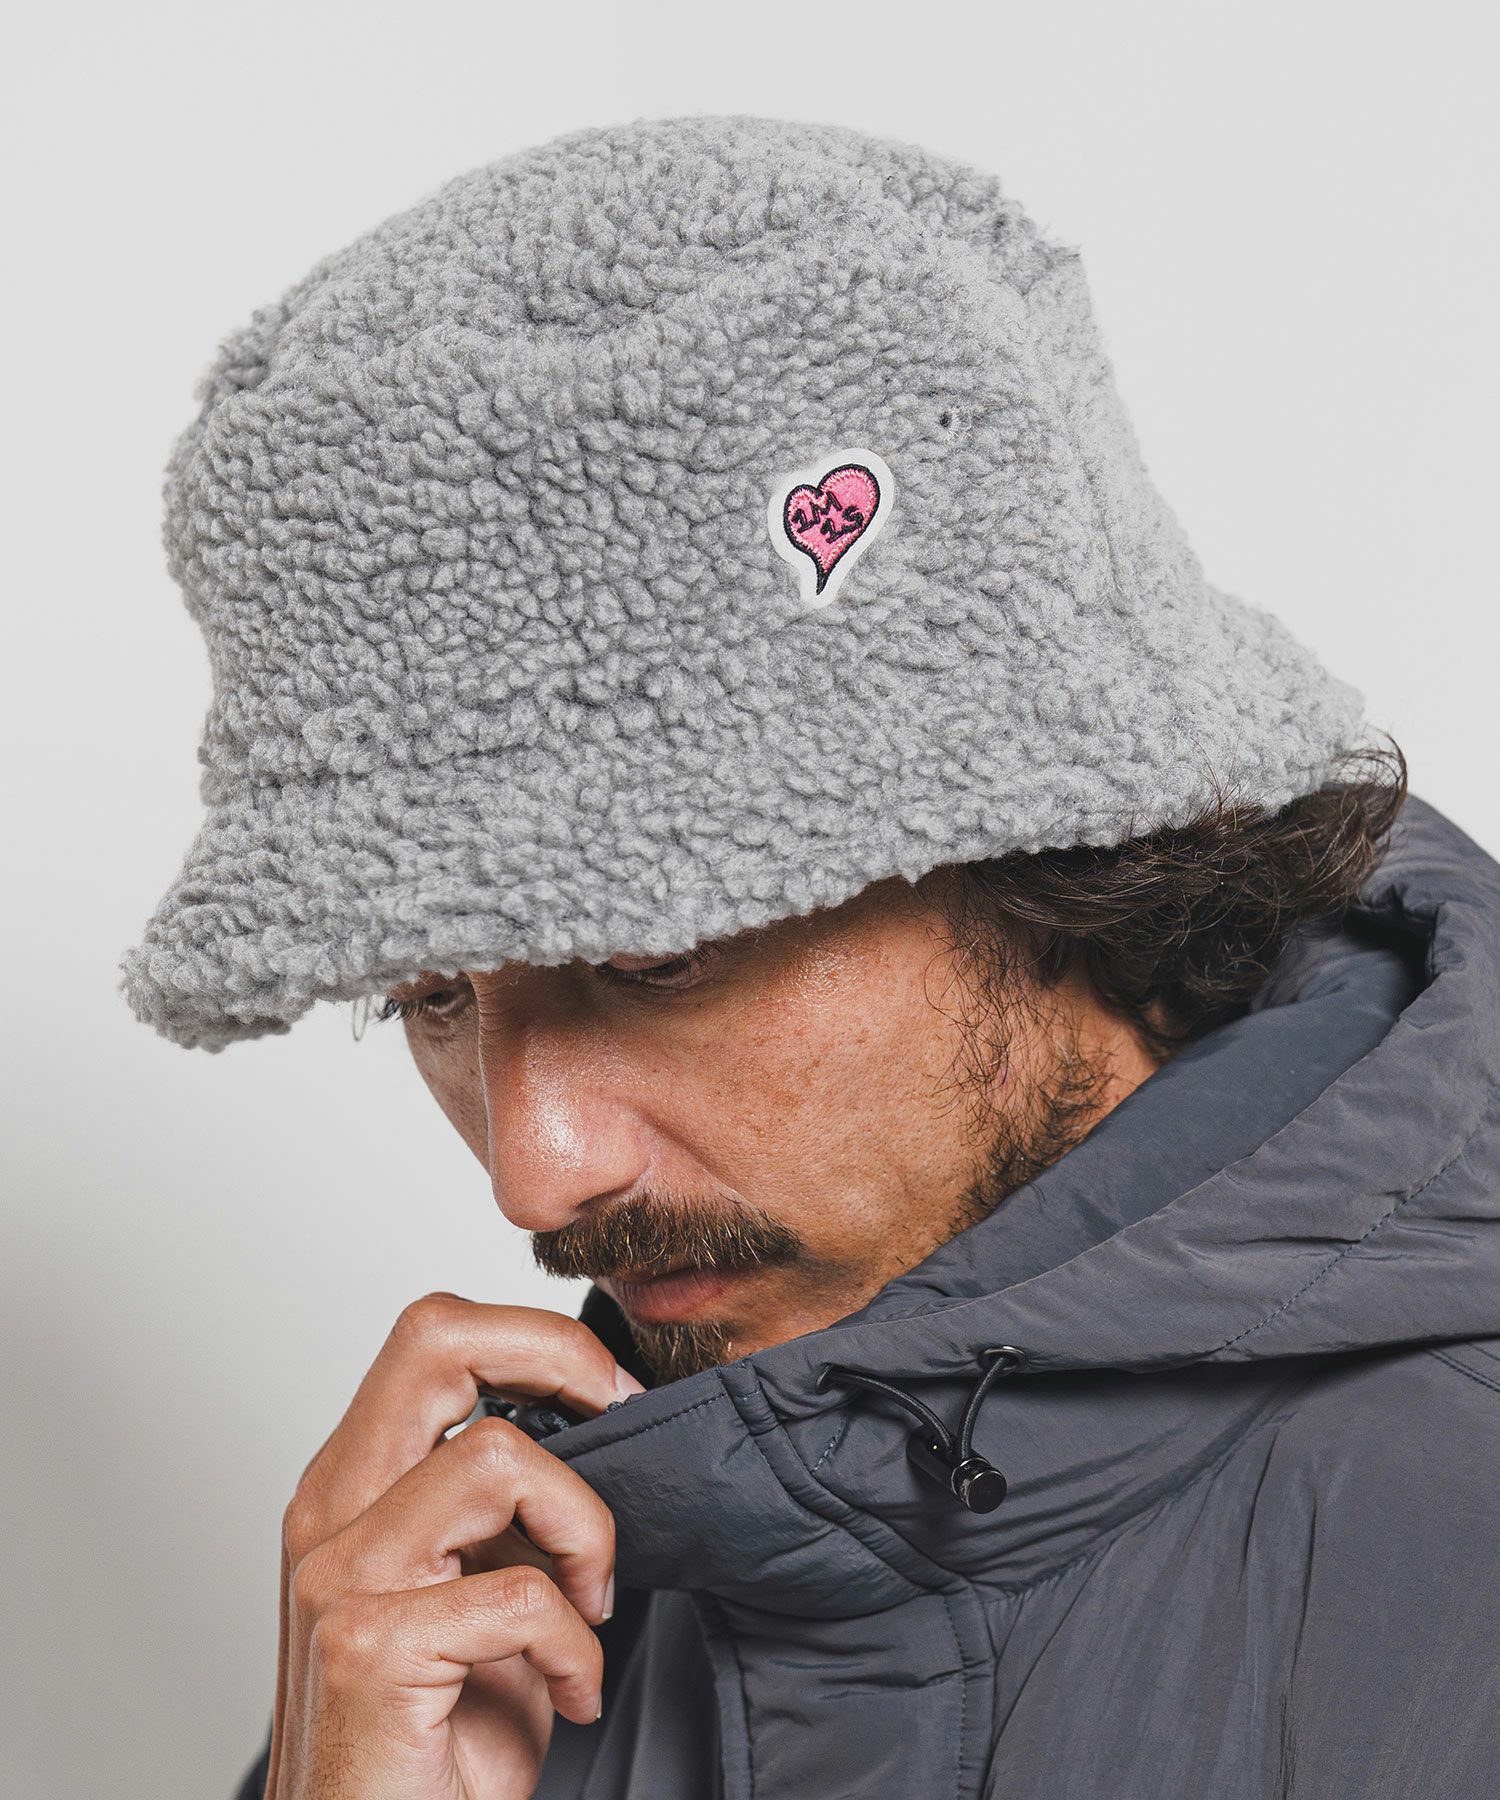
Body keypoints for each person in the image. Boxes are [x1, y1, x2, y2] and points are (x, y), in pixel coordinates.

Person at [118, 116, 1500, 1799]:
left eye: (654, 957)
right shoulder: (488, 1620)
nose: (533, 1173)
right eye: (430, 995)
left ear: (1060, 852)